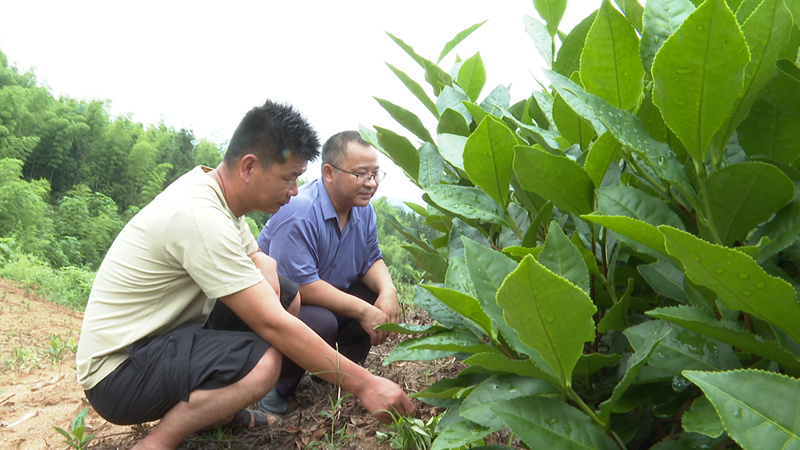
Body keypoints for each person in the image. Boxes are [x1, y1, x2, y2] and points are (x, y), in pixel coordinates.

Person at [75, 102, 414, 450]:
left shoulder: (217, 194)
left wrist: (262, 262)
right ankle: (158, 443)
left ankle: (220, 410)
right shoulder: (200, 216)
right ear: (249, 167)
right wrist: (366, 384)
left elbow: (258, 259)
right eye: (288, 178)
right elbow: (275, 326)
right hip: (118, 372)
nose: (294, 190)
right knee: (265, 364)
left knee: (285, 293)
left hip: (164, 339)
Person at [255, 130, 401, 417]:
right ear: (329, 172)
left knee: (371, 296)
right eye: (361, 174)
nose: (371, 183)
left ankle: (331, 374)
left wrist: (388, 291)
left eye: (375, 173)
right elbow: (300, 286)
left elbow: (371, 258)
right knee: (320, 320)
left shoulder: (364, 211)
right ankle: (277, 386)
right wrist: (363, 311)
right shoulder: (299, 210)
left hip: (326, 297)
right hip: (277, 306)